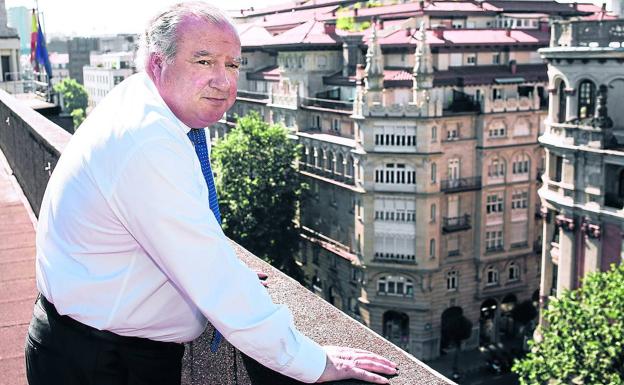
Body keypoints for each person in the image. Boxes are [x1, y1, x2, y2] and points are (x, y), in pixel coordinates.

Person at [25, 2, 397, 384]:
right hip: (100, 361)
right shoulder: (146, 140)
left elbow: (183, 240)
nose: (224, 81)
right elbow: (216, 284)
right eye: (204, 62)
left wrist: (216, 259)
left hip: (97, 345)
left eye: (233, 65)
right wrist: (312, 360)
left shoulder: (146, 106)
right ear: (157, 64)